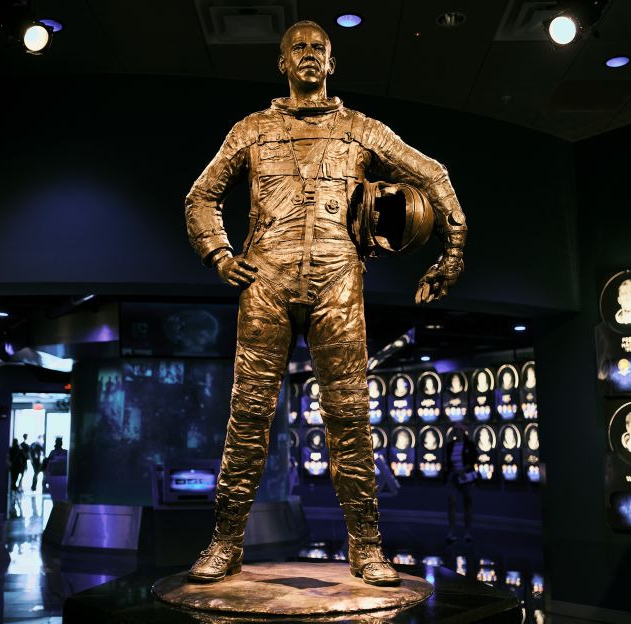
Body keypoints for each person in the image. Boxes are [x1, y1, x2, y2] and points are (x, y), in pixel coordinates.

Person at [184, 19, 467, 586]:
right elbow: (202, 196)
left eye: (319, 48)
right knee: (248, 416)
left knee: (349, 416)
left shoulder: (361, 131)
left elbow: (431, 173)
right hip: (266, 280)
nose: (309, 55)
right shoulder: (251, 130)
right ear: (283, 63)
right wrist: (219, 254)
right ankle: (224, 543)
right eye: (298, 49)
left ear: (331, 63)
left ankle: (366, 546)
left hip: (338, 279)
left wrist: (453, 246)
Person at [444, 423, 477, 543]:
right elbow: (448, 461)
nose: (457, 433)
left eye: (459, 431)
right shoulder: (450, 446)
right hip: (453, 477)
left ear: (463, 432)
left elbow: (474, 459)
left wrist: (464, 470)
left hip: (467, 478)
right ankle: (451, 532)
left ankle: (467, 532)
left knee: (467, 504)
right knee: (451, 502)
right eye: (455, 431)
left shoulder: (470, 445)